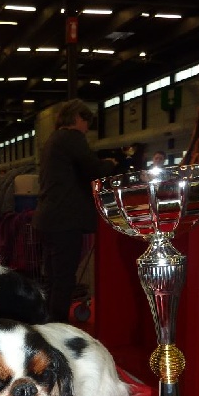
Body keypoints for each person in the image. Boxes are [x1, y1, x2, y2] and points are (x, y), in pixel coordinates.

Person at [33, 98, 117, 323]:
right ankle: (58, 328)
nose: (87, 127)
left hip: (48, 218)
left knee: (52, 278)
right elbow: (93, 169)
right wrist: (111, 164)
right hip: (65, 220)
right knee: (64, 279)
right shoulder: (72, 137)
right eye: (86, 121)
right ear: (78, 118)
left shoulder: (53, 140)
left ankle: (47, 323)